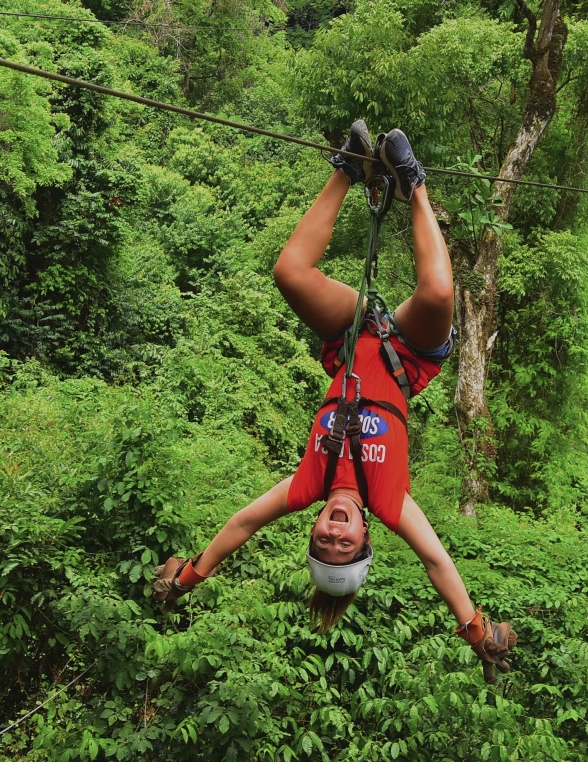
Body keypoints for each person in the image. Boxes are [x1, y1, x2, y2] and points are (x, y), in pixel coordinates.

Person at [152, 122, 517, 683]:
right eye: (345, 547)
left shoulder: (307, 486)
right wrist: (476, 632)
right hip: (409, 356)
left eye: (325, 545)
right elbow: (436, 561)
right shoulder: (391, 502)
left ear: (316, 530)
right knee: (440, 292)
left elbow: (243, 523)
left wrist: (187, 579)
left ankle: (347, 169)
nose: (334, 535)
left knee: (289, 274)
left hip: (351, 336)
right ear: (364, 538)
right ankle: (414, 186)